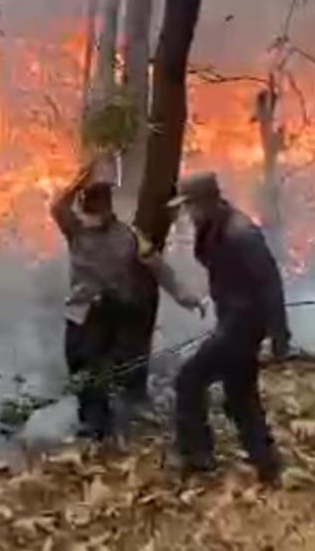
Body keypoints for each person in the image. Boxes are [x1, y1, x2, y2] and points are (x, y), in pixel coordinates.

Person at [51, 164, 203, 440]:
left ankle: (115, 422)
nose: (95, 214)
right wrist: (78, 182)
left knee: (113, 369)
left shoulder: (130, 236)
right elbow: (57, 207)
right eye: (91, 207)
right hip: (82, 312)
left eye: (101, 206)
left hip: (115, 314)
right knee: (81, 369)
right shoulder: (76, 231)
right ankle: (92, 424)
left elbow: (158, 266)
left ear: (110, 208)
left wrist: (185, 295)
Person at [167, 171, 289, 484]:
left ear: (206, 201)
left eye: (190, 206)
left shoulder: (241, 233)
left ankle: (198, 457)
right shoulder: (214, 226)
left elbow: (270, 284)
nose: (187, 214)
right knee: (240, 396)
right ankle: (267, 463)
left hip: (242, 325)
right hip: (233, 320)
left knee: (189, 380)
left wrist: (279, 336)